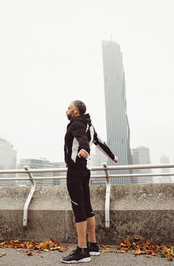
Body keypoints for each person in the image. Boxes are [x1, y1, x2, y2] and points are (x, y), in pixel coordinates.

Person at [61, 100, 118, 264]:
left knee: (78, 208)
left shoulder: (77, 123)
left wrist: (84, 149)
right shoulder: (89, 125)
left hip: (75, 172)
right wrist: (112, 156)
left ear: (76, 111)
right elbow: (99, 142)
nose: (66, 110)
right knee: (87, 207)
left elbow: (82, 139)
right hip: (85, 172)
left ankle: (82, 250)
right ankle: (92, 245)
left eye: (68, 108)